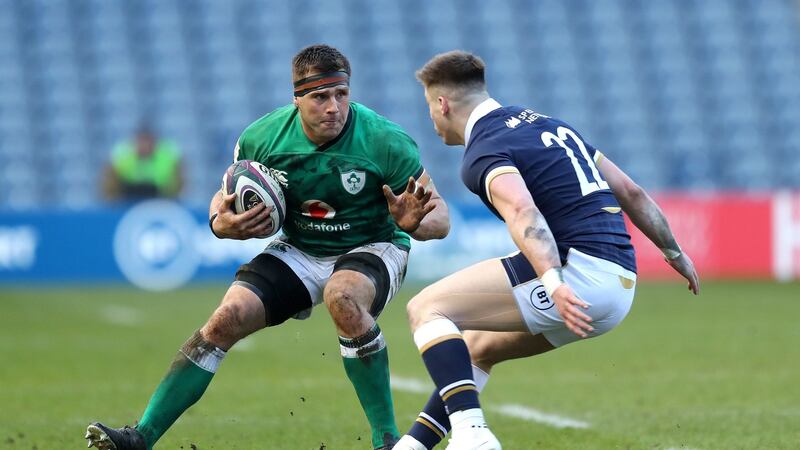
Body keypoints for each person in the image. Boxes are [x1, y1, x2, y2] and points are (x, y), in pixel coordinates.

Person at [86, 44, 450, 450]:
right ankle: (141, 437)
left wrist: (416, 223)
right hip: (301, 246)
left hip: (374, 242)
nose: (334, 107)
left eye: (341, 94)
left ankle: (386, 440)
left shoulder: (385, 141)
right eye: (320, 97)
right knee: (226, 318)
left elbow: (440, 217)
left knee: (342, 297)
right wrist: (219, 221)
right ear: (297, 98)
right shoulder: (262, 138)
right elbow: (224, 194)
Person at [392, 51, 700, 450]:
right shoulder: (550, 125)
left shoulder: (484, 149)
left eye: (429, 108)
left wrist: (554, 283)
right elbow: (631, 191)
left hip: (576, 276)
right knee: (476, 348)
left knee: (425, 308)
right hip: (621, 285)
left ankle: (472, 436)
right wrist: (674, 252)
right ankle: (413, 446)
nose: (432, 119)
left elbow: (523, 211)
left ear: (442, 103)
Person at [102, 126, 184, 201]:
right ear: (135, 142)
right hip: (127, 199)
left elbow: (177, 185)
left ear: (154, 142)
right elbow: (110, 185)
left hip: (159, 200)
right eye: (142, 141)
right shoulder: (123, 157)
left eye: (148, 141)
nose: (145, 145)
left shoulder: (166, 158)